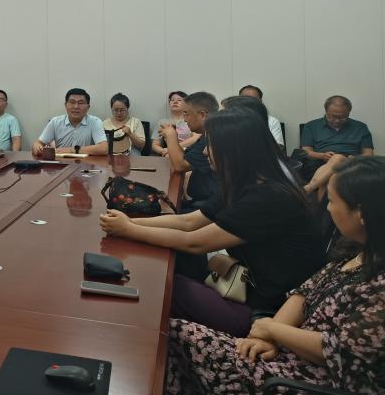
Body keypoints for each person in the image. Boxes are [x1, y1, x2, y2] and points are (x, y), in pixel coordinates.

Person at [160, 155, 385, 395]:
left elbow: (339, 351)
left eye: (332, 201)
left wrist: (272, 329)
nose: (328, 209)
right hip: (288, 358)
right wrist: (267, 337)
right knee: (175, 343)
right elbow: (303, 294)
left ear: (362, 214)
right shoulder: (358, 251)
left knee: (174, 337)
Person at [100, 108, 324, 336]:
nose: (206, 151)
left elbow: (194, 242)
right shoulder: (245, 181)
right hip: (244, 285)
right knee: (168, 265)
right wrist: (130, 223)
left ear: (235, 150)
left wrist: (129, 229)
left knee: (158, 284)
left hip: (265, 310)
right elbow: (189, 222)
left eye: (211, 144)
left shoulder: (267, 196)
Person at [161, 91, 220, 211]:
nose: (184, 119)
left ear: (202, 115)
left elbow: (180, 165)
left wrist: (171, 136)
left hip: (208, 204)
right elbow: (184, 155)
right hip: (199, 200)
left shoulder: (213, 136)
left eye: (186, 114)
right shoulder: (205, 134)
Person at [300, 95, 374, 177]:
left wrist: (355, 159)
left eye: (342, 117)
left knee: (338, 159)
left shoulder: (360, 127)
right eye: (333, 117)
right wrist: (322, 156)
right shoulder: (311, 126)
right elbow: (305, 152)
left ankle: (313, 185)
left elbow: (369, 154)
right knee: (337, 159)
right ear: (326, 111)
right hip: (319, 164)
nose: (337, 121)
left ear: (348, 113)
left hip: (351, 165)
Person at [32, 88, 107, 156]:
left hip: (86, 163)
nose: (76, 107)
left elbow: (103, 148)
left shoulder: (95, 122)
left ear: (88, 107)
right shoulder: (55, 122)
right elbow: (38, 143)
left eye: (81, 103)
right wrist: (37, 147)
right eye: (72, 102)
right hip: (61, 163)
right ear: (65, 105)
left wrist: (71, 150)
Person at [150, 91, 199, 156]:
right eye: (172, 100)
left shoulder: (191, 120)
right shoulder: (162, 122)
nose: (175, 102)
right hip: (169, 154)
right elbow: (155, 145)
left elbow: (196, 137)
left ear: (187, 104)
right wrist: (163, 151)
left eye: (179, 100)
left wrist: (173, 148)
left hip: (190, 152)